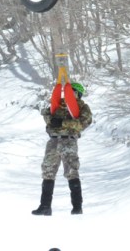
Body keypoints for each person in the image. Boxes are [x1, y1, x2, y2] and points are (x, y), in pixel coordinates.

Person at [31, 81, 92, 216]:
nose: (70, 95)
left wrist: (63, 122)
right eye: (69, 92)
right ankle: (45, 206)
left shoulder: (83, 107)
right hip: (53, 140)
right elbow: (47, 114)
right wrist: (51, 119)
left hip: (68, 141)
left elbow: (83, 123)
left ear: (79, 94)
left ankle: (77, 206)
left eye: (73, 92)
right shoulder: (57, 104)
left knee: (71, 171)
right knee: (47, 171)